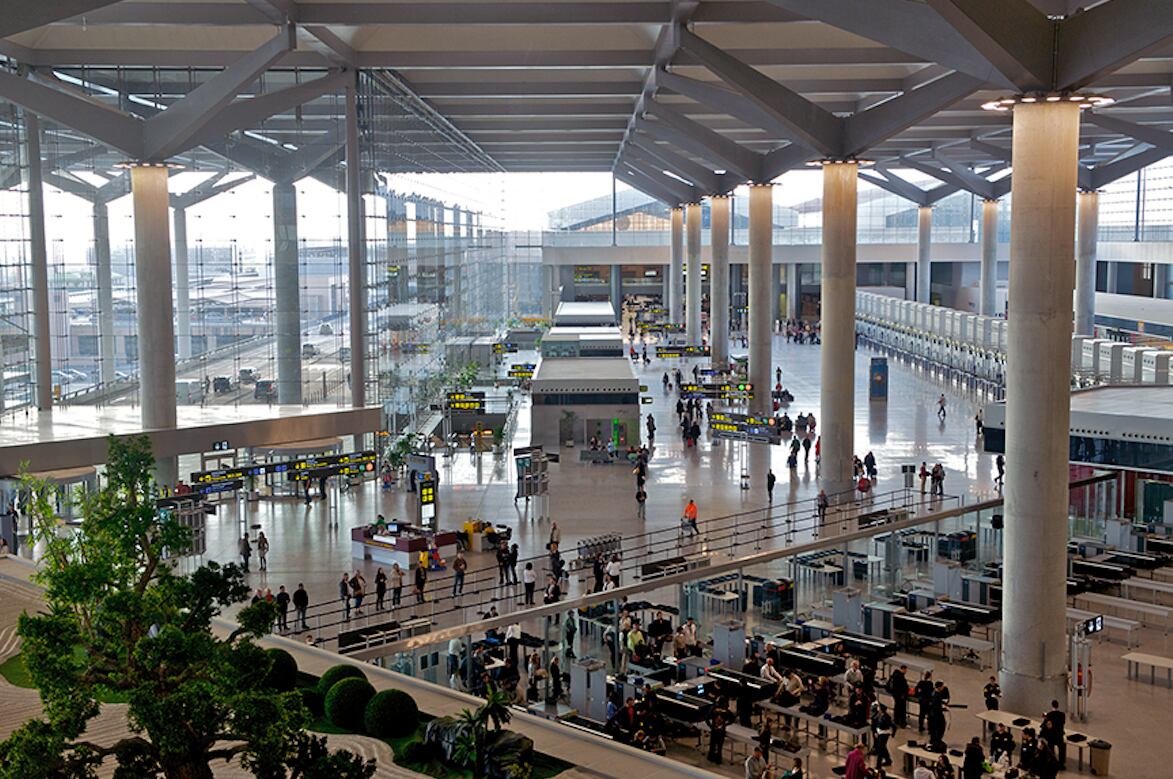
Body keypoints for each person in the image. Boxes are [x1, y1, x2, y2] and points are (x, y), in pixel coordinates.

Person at [1042, 699, 1066, 769]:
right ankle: (1061, 764)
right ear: (1058, 706)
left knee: (1051, 749)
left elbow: (1045, 725)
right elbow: (1063, 723)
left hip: (1051, 736)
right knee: (1061, 749)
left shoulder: (1048, 715)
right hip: (1059, 735)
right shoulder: (1062, 715)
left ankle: (1052, 762)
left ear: (1052, 706)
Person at [872, 702, 894, 768]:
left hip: (884, 734)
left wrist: (892, 734)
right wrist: (875, 731)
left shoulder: (886, 717)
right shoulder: (878, 715)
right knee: (883, 747)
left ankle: (878, 765)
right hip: (879, 733)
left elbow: (888, 725)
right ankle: (888, 760)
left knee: (880, 749)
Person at [888, 663, 909, 728]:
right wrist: (903, 694)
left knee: (897, 708)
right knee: (902, 709)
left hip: (896, 695)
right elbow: (900, 687)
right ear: (903, 669)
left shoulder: (895, 675)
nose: (906, 671)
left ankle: (896, 720)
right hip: (900, 696)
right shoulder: (899, 676)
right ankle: (902, 723)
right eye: (905, 670)